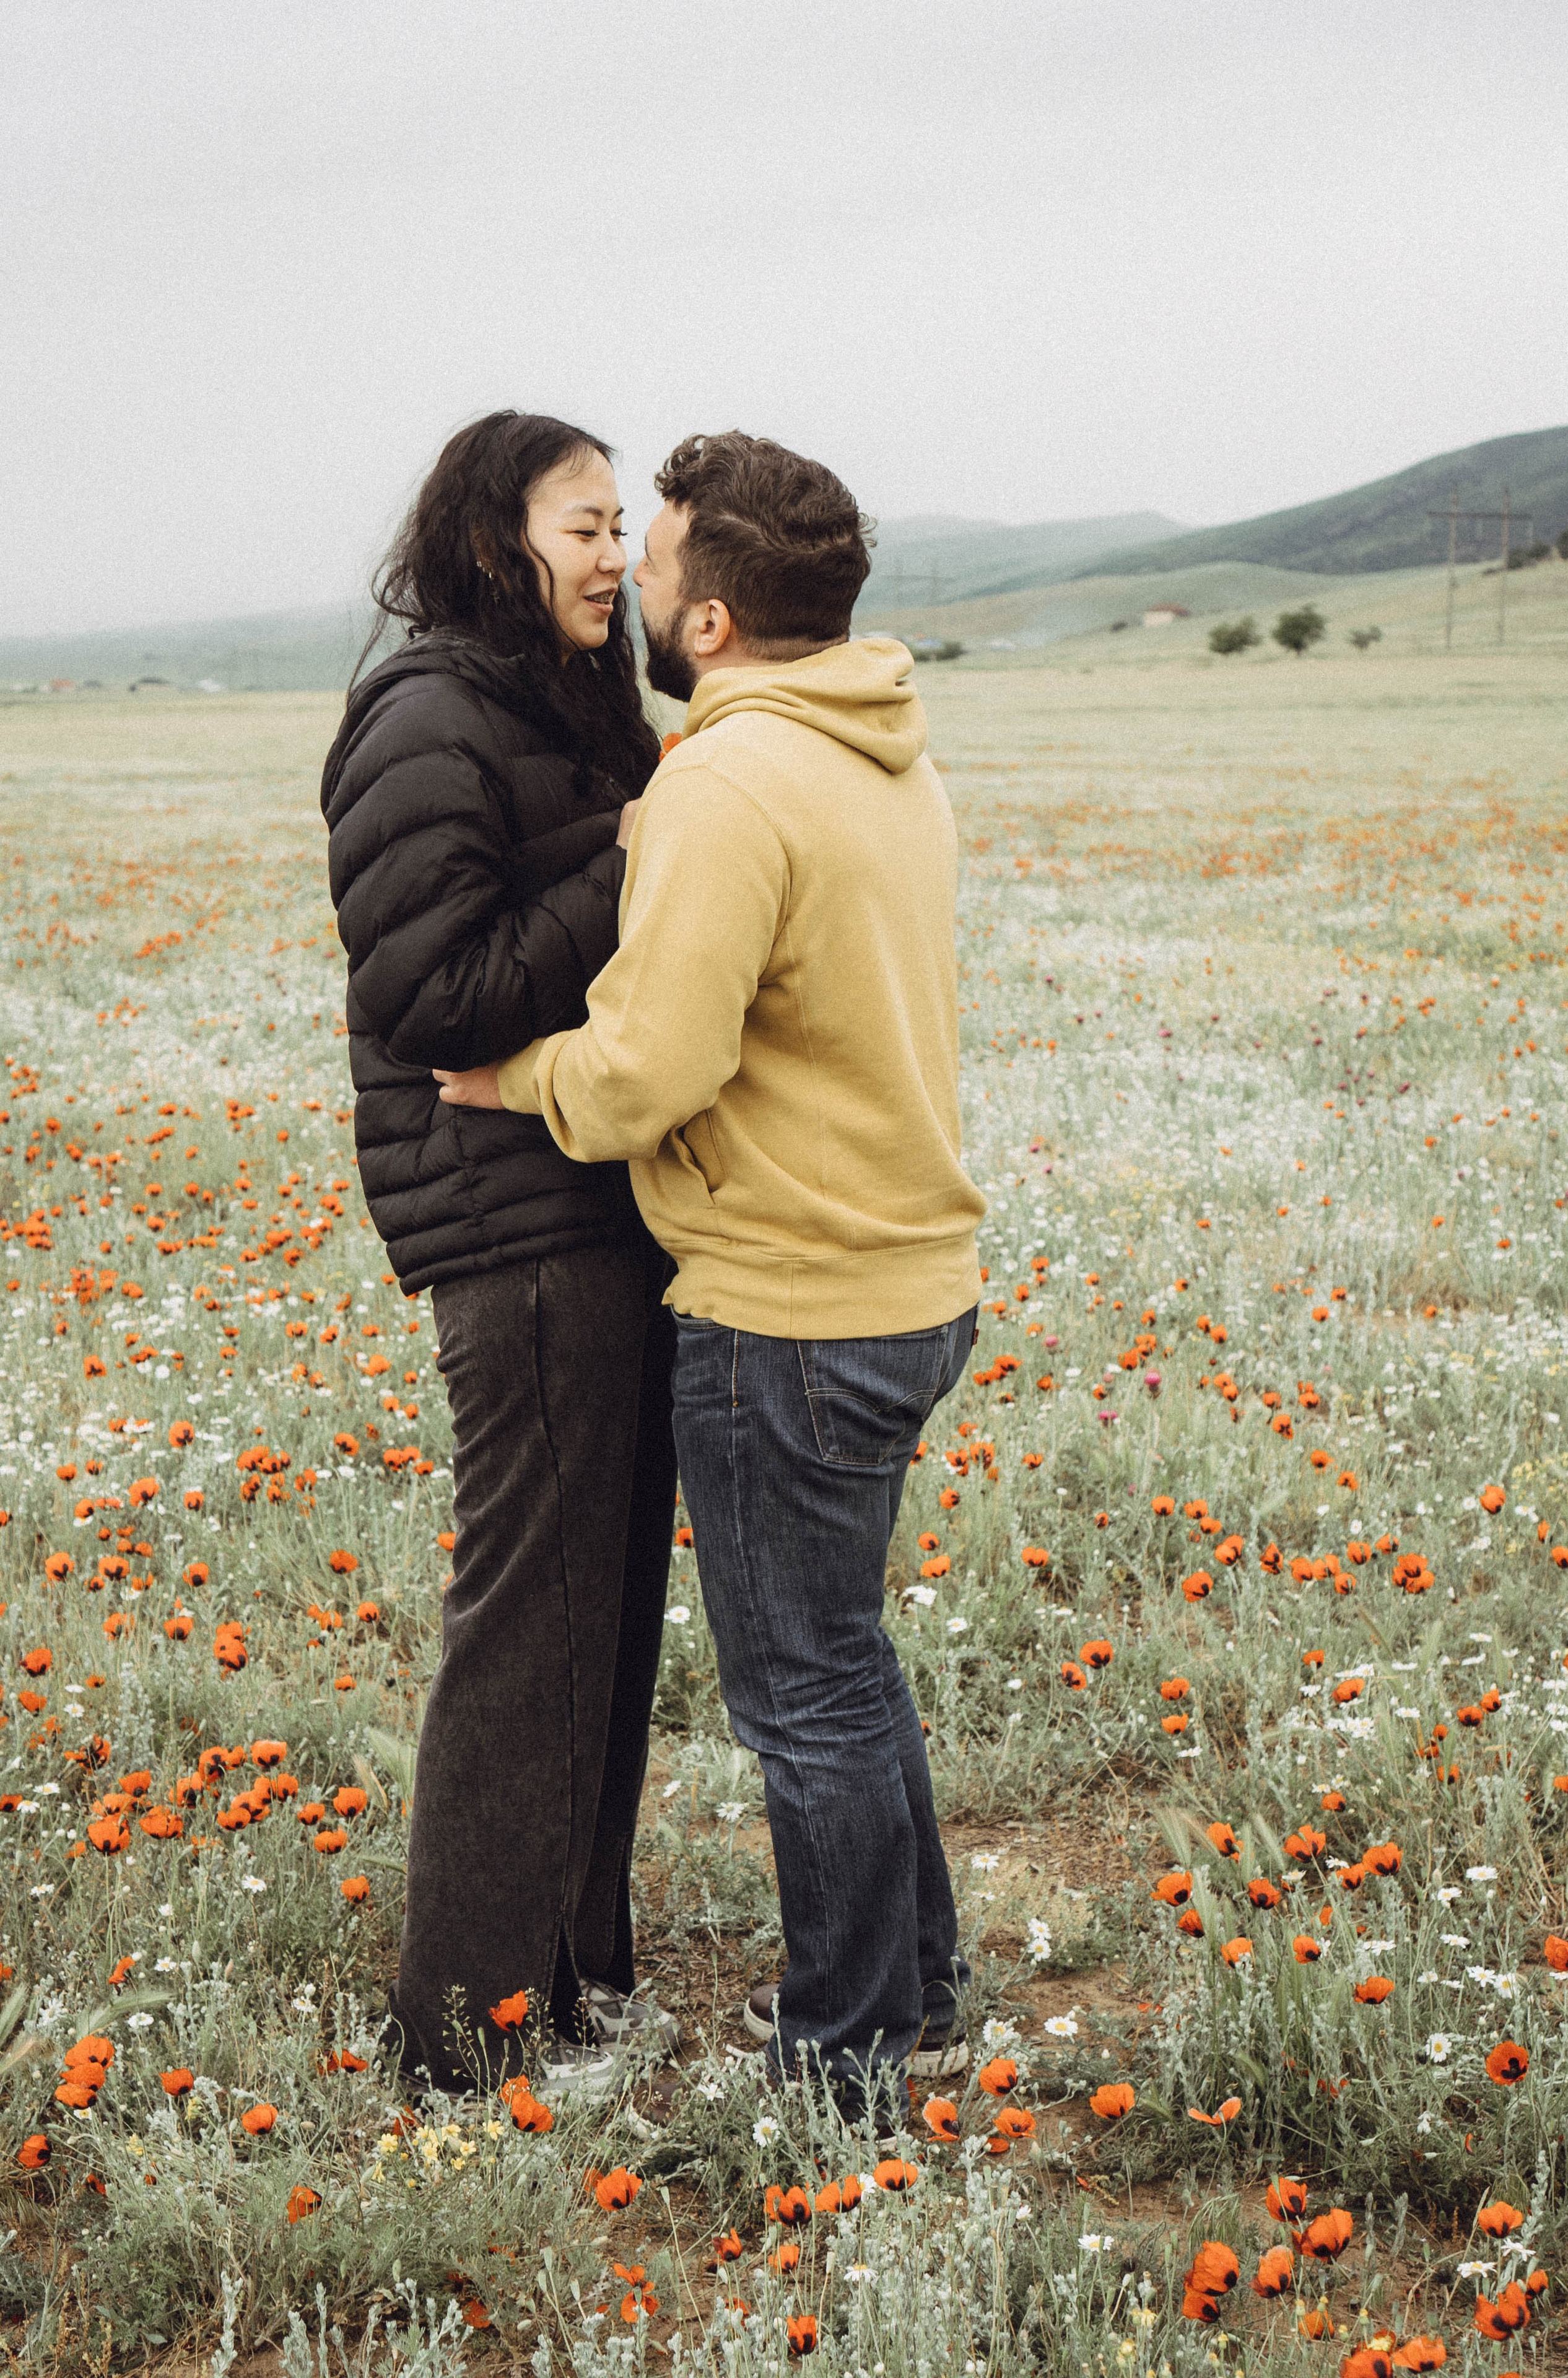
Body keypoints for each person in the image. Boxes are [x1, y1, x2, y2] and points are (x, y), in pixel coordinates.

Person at [435, 431, 987, 2120]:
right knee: (848, 1657)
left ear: (719, 621)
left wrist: (508, 1077)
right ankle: (923, 1994)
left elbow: (644, 1073)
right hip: (910, 1277)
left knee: (804, 1692)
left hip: (786, 1305)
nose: (634, 580)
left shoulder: (730, 784)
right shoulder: (884, 748)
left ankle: (843, 2065)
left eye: (657, 560)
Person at [321, 411, 681, 2096]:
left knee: (602, 1609)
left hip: (599, 1199)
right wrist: (631, 866)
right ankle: (467, 2035)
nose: (618, 555)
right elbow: (431, 995)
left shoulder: (567, 700)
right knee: (531, 1613)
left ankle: (572, 1984)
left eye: (626, 526)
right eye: (585, 524)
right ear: (493, 539)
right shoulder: (428, 713)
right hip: (511, 1214)